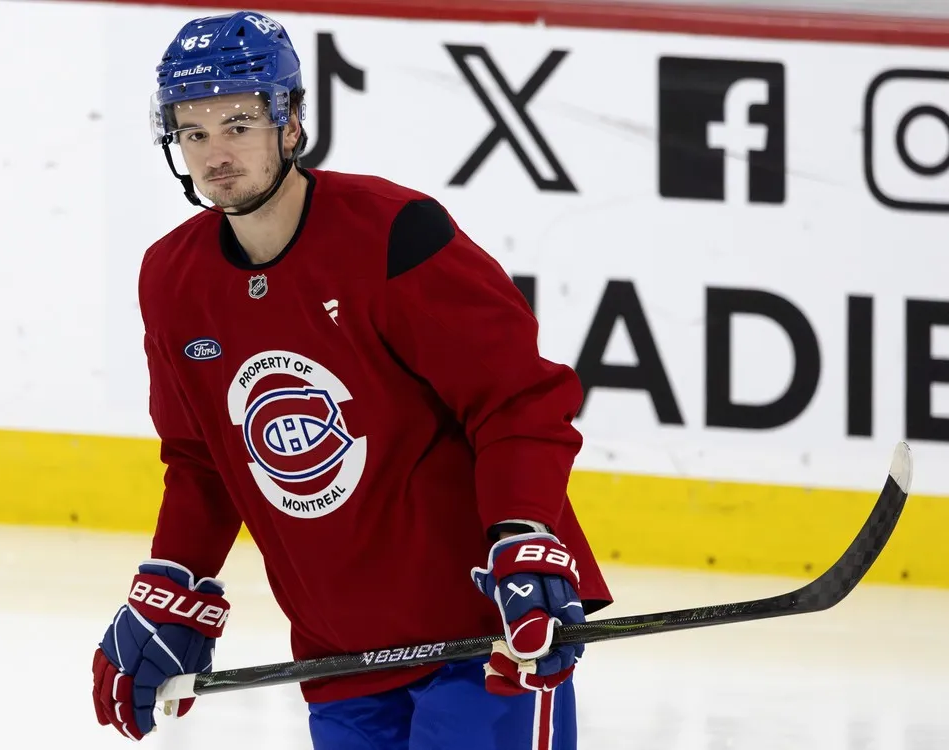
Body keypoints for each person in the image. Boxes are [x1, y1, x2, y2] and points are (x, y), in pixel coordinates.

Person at [90, 10, 612, 749]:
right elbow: (204, 460)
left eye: (238, 123)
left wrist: (524, 533)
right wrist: (174, 582)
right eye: (194, 129)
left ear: (291, 122)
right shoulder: (172, 279)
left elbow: (517, 400)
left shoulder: (395, 233)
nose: (216, 152)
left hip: (483, 635)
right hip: (340, 653)